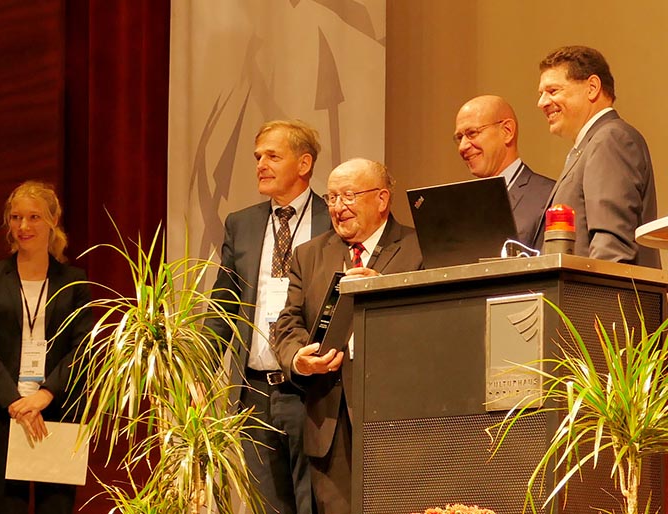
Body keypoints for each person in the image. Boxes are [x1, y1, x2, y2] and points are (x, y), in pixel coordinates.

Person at [273, 158, 423, 514]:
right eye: (331, 198)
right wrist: (298, 359)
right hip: (329, 425)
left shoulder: (422, 250)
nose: (338, 208)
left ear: (382, 199)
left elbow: (436, 326)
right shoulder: (308, 255)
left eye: (349, 196)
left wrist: (384, 289)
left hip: (399, 426)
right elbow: (288, 324)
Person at [205, 119, 331, 514]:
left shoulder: (333, 219)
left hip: (313, 393)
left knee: (315, 503)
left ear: (304, 163)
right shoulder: (241, 223)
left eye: (273, 156)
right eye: (258, 157)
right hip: (254, 391)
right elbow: (223, 304)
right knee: (266, 506)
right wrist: (197, 368)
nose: (261, 164)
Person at [0, 181, 92, 513]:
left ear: (53, 220)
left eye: (34, 217)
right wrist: (16, 403)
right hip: (2, 413)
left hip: (59, 412)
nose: (23, 226)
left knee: (56, 508)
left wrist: (44, 395)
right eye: (16, 217)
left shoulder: (74, 282)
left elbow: (83, 349)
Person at [534, 45, 660, 268]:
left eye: (553, 91)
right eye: (541, 94)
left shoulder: (610, 138)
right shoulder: (591, 144)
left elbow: (611, 247)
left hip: (600, 300)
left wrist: (597, 301)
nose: (542, 102)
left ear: (592, 88)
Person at [454, 95, 555, 247]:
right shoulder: (460, 209)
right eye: (459, 137)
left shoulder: (549, 197)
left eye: (472, 133)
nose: (462, 147)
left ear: (507, 131)